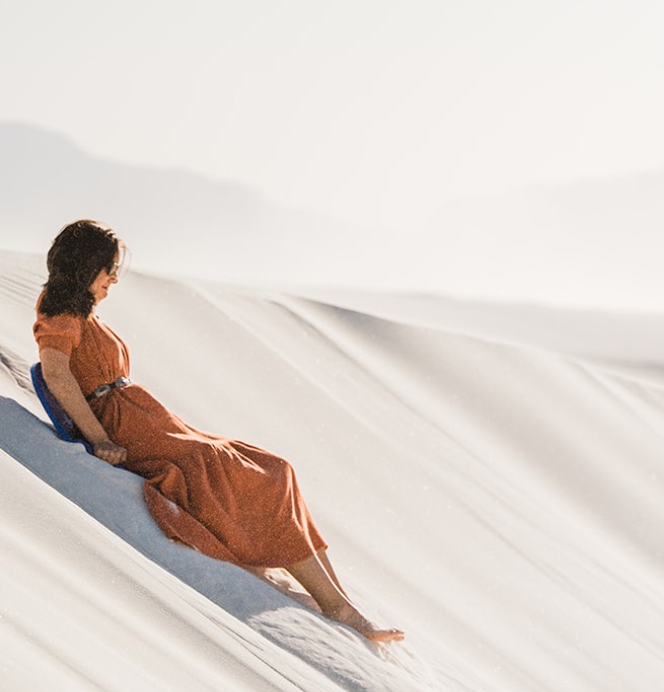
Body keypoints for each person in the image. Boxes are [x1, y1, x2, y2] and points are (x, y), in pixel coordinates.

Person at [32, 220, 403, 644]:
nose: (114, 279)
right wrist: (98, 439)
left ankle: (338, 600)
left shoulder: (81, 312)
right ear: (85, 267)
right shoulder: (59, 311)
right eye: (108, 269)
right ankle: (337, 606)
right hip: (124, 427)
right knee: (220, 466)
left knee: (275, 468)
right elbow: (55, 373)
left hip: (149, 421)